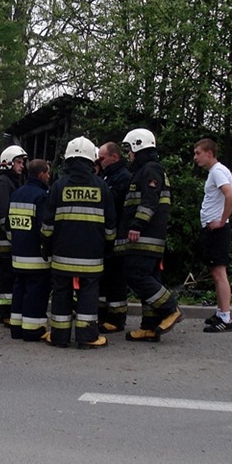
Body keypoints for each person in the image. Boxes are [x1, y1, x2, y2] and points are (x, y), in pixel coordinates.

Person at [41, 137, 115, 349]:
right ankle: (87, 337)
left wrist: (46, 246)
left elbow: (47, 224)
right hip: (92, 257)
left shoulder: (58, 186)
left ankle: (59, 337)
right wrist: (108, 248)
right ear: (91, 159)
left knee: (61, 294)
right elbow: (110, 224)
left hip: (62, 256)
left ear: (68, 159)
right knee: (88, 295)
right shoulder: (101, 186)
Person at [119, 128, 182, 342]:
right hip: (149, 236)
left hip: (145, 237)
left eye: (130, 150)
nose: (129, 155)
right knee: (151, 278)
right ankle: (149, 326)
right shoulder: (146, 169)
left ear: (138, 146)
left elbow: (149, 201)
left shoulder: (150, 169)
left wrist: (137, 225)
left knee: (136, 275)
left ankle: (170, 308)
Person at [193, 138, 232, 333]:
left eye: (198, 153)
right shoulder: (217, 171)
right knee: (215, 271)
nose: (196, 158)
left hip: (217, 229)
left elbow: (231, 195)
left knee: (219, 273)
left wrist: (221, 220)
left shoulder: (218, 172)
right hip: (213, 227)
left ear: (209, 153)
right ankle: (220, 313)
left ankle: (226, 318)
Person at [7, 159, 51, 341]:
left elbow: (10, 227)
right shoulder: (42, 196)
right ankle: (33, 330)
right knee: (36, 292)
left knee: (19, 289)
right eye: (47, 173)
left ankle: (16, 328)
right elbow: (44, 228)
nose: (49, 176)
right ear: (41, 174)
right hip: (36, 256)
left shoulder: (16, 194)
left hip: (18, 254)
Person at [96, 141, 133, 333]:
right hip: (104, 236)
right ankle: (102, 314)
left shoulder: (123, 177)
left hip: (118, 236)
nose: (99, 161)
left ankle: (117, 318)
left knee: (116, 278)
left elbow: (114, 205)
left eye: (102, 158)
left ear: (114, 157)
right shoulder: (107, 175)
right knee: (104, 278)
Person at [0, 145, 28, 327]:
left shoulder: (11, 181)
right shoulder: (3, 182)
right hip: (4, 242)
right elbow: (2, 212)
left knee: (8, 279)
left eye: (22, 163)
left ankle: (6, 310)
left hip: (8, 240)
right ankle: (5, 313)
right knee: (5, 279)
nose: (21, 166)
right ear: (8, 163)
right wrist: (13, 235)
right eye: (18, 162)